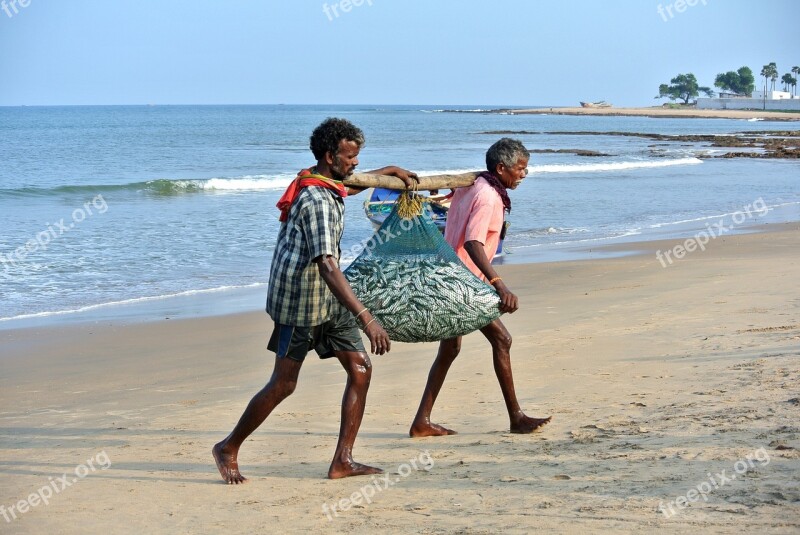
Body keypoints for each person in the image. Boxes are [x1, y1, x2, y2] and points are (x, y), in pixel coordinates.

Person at [214, 118, 417, 483]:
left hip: (330, 299)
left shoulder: (322, 178)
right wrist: (367, 318)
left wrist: (389, 171)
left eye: (358, 157)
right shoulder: (316, 199)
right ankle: (228, 446)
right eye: (350, 157)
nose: (355, 163)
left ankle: (343, 460)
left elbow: (350, 185)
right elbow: (326, 264)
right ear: (329, 156)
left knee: (360, 369)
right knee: (284, 384)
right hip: (301, 302)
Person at [409, 138, 551, 437]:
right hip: (465, 282)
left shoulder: (471, 184)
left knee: (450, 348)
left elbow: (452, 204)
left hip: (450, 275)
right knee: (502, 339)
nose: (523, 175)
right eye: (520, 169)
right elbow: (473, 242)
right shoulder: (488, 197)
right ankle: (516, 418)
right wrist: (500, 285)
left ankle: (422, 421)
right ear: (501, 168)